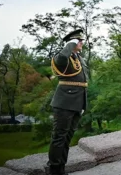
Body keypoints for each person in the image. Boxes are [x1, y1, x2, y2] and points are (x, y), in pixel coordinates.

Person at [46, 29, 89, 175]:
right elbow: (62, 58)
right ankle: (53, 169)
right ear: (72, 42)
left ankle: (61, 168)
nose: (82, 43)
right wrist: (70, 44)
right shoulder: (63, 56)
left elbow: (82, 81)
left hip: (76, 102)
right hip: (64, 102)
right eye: (79, 41)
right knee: (59, 137)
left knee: (67, 137)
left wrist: (83, 104)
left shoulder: (77, 57)